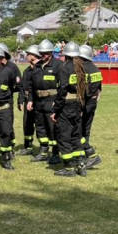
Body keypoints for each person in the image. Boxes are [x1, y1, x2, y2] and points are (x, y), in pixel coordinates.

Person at [52, 42, 87, 177]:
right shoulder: (81, 68)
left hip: (66, 106)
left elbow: (62, 90)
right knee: (76, 136)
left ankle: (68, 168)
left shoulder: (65, 68)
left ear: (65, 55)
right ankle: (81, 166)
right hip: (77, 104)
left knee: (64, 136)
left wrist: (56, 109)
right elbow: (84, 89)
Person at [27, 39, 61, 164]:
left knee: (52, 128)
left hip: (51, 100)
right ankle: (43, 151)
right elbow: (31, 85)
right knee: (40, 127)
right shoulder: (37, 66)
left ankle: (56, 153)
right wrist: (30, 100)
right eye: (41, 53)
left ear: (51, 52)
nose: (43, 55)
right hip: (38, 101)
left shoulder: (58, 65)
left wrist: (57, 102)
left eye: (46, 53)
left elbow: (62, 86)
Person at [79, 45, 103, 168]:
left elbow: (83, 91)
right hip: (93, 102)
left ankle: (89, 153)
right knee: (86, 129)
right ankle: (84, 152)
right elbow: (99, 89)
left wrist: (81, 107)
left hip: (84, 103)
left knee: (78, 130)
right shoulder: (96, 69)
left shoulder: (82, 70)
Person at [17, 45, 41, 155]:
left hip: (38, 101)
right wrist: (20, 100)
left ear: (35, 55)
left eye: (29, 54)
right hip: (27, 100)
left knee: (40, 124)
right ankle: (28, 146)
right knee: (27, 123)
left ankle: (43, 148)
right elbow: (22, 86)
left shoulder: (41, 70)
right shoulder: (27, 71)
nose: (26, 56)